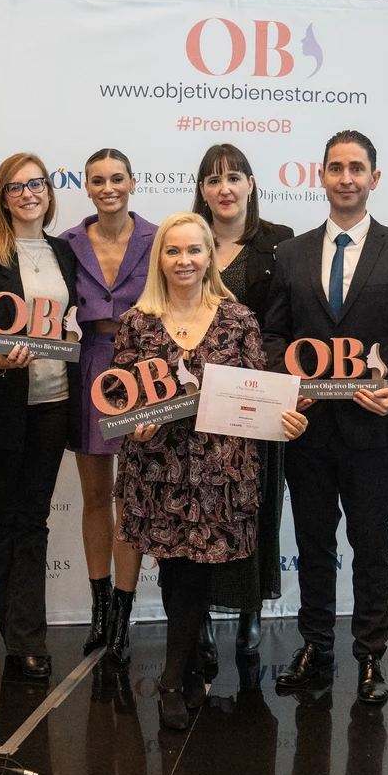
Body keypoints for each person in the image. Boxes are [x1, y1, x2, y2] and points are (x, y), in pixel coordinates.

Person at [112, 212, 307, 729]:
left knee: (197, 567)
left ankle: (174, 676)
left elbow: (256, 394)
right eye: (173, 251)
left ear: (209, 257)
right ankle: (183, 670)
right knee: (175, 567)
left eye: (194, 250)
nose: (184, 260)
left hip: (219, 467)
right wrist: (136, 425)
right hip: (158, 468)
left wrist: (283, 418)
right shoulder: (137, 321)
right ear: (160, 259)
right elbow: (119, 398)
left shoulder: (238, 318)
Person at [261, 130, 388, 702]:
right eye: (336, 167)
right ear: (321, 175)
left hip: (373, 426)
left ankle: (370, 656)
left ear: (374, 178)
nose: (346, 178)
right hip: (307, 429)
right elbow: (275, 334)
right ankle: (316, 646)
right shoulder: (292, 252)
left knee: (369, 541)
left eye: (357, 168)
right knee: (312, 541)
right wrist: (285, 389)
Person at [0, 152, 81, 682]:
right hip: (2, 403)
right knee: (5, 517)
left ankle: (26, 635)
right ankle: (19, 636)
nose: (29, 193)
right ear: (1, 198)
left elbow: (70, 322)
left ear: (50, 192)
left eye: (37, 184)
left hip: (53, 403)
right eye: (16, 187)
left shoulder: (64, 252)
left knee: (34, 518)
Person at [192, 142, 293, 663]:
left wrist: (261, 386)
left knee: (255, 506)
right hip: (196, 404)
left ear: (251, 184)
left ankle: (251, 607)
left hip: (258, 400)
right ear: (202, 190)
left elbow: (286, 324)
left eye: (234, 177)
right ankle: (200, 615)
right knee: (201, 508)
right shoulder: (187, 239)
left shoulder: (280, 243)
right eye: (213, 180)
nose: (224, 188)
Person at [59, 148, 157, 663]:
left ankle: (123, 613)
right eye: (97, 180)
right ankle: (99, 612)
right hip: (90, 362)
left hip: (145, 370)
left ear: (133, 181)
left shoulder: (159, 238)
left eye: (117, 178)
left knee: (133, 499)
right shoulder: (69, 243)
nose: (108, 187)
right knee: (96, 496)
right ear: (86, 185)